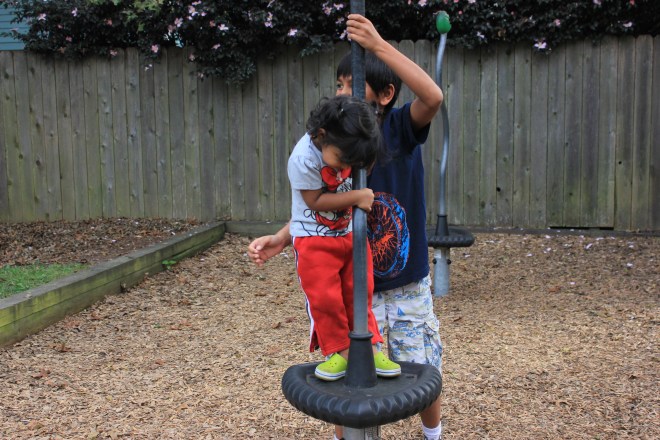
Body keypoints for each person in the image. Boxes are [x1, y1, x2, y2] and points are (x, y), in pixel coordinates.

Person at [248, 14, 444, 440]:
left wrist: (376, 46)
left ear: (387, 95)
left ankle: (434, 436)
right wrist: (285, 238)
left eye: (352, 85)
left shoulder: (397, 128)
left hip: (406, 279)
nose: (343, 94)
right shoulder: (337, 141)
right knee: (353, 377)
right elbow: (321, 206)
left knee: (423, 364)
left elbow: (433, 96)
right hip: (354, 278)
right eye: (339, 85)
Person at [287, 94, 401, 382]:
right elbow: (315, 200)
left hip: (350, 233)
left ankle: (371, 345)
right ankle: (342, 351)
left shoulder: (348, 144)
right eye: (343, 159)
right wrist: (358, 196)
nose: (346, 166)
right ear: (322, 135)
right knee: (325, 297)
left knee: (360, 289)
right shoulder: (302, 159)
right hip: (315, 240)